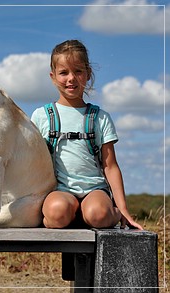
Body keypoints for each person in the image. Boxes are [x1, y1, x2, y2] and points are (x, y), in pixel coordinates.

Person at [31, 40, 143, 230]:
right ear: (53, 76)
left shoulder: (100, 117)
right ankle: (69, 216)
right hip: (59, 190)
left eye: (78, 71)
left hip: (94, 190)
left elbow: (110, 166)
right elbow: (30, 161)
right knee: (57, 213)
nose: (71, 78)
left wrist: (122, 208)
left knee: (98, 215)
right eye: (64, 72)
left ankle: (107, 213)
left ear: (88, 74)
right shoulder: (41, 116)